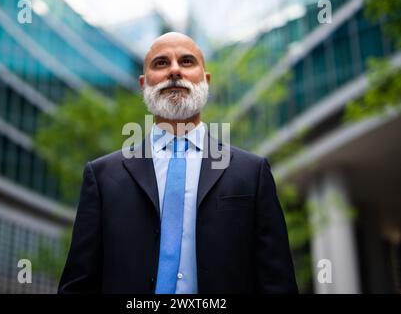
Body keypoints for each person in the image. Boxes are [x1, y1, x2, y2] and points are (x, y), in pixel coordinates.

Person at [58, 32, 298, 294]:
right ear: (143, 83)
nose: (174, 70)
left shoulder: (252, 173)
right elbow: (78, 285)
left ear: (205, 80)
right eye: (161, 63)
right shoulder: (102, 176)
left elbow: (278, 283)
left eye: (186, 61)